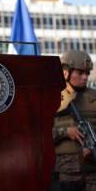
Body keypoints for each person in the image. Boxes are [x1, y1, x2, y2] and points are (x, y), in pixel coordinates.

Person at [52, 50, 96, 191]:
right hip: (65, 174)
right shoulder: (51, 98)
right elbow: (38, 134)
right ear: (66, 72)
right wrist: (65, 132)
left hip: (92, 172)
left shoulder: (94, 97)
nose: (85, 77)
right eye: (80, 73)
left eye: (87, 73)